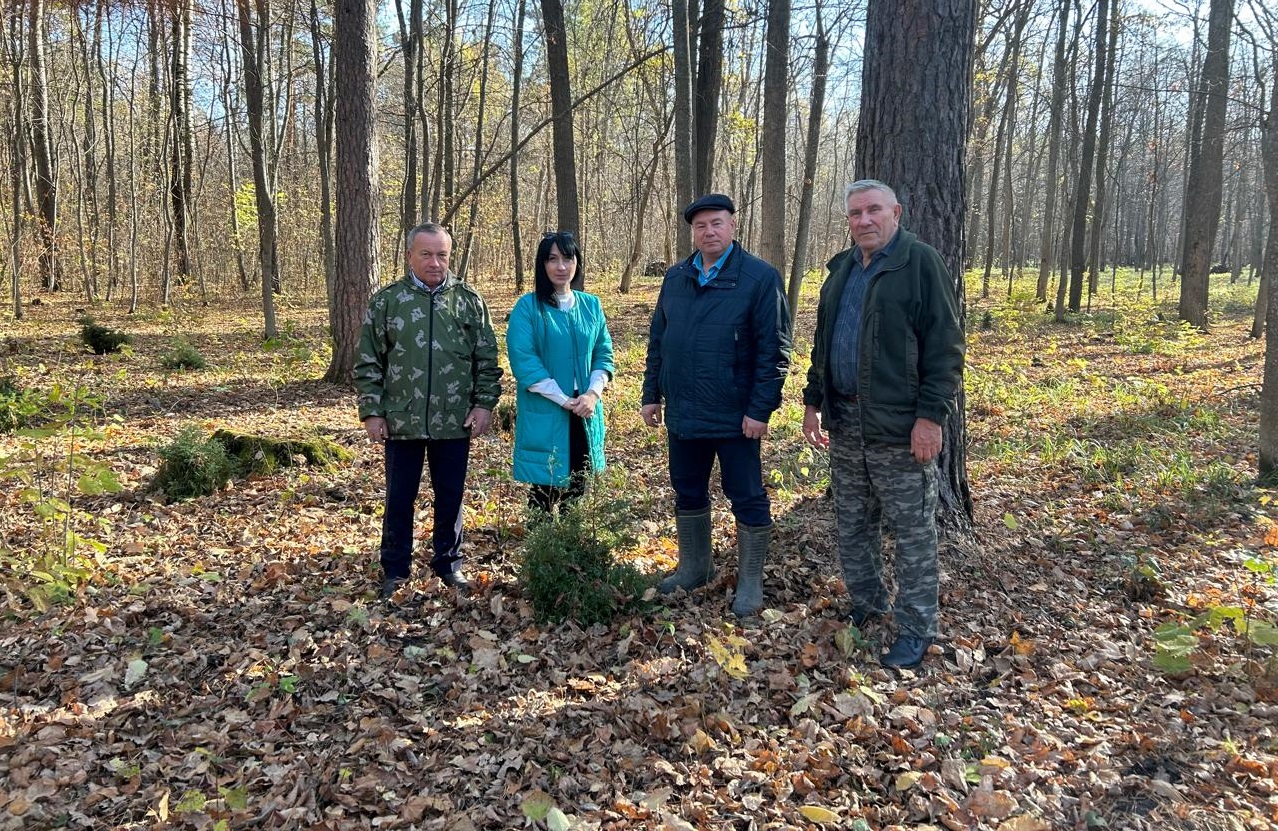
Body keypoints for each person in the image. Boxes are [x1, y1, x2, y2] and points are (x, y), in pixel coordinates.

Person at [801, 180, 964, 669]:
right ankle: (868, 605)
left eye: (874, 210)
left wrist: (930, 418)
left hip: (900, 427)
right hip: (846, 421)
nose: (864, 220)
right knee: (852, 525)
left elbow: (946, 347)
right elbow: (824, 344)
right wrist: (813, 402)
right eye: (855, 213)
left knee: (913, 532)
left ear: (896, 211)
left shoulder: (919, 263)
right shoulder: (841, 270)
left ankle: (917, 628)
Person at [641, 193, 793, 618]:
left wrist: (761, 409)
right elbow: (659, 340)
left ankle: (749, 581)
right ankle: (695, 567)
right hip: (684, 411)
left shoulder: (759, 278)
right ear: (693, 231)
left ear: (733, 226)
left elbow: (774, 350)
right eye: (701, 225)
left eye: (717, 223)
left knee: (746, 494)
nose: (709, 232)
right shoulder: (676, 278)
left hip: (736, 415)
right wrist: (652, 392)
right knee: (686, 489)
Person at [355, 222, 503, 600]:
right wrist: (372, 411)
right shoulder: (388, 301)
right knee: (399, 497)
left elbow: (487, 359)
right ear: (410, 256)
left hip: (454, 420)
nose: (435, 262)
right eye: (426, 254)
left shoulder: (468, 300)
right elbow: (369, 360)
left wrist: (484, 404)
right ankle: (395, 570)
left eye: (442, 254)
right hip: (401, 419)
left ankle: (449, 564)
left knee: (450, 496)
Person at [506, 231, 615, 513]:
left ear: (577, 262)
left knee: (578, 487)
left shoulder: (591, 305)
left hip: (586, 409)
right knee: (545, 490)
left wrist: (592, 394)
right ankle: (541, 552)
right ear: (542, 265)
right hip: (548, 409)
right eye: (552, 259)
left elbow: (603, 352)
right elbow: (524, 361)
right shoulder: (528, 308)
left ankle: (572, 549)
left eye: (567, 258)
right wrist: (564, 400)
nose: (561, 266)